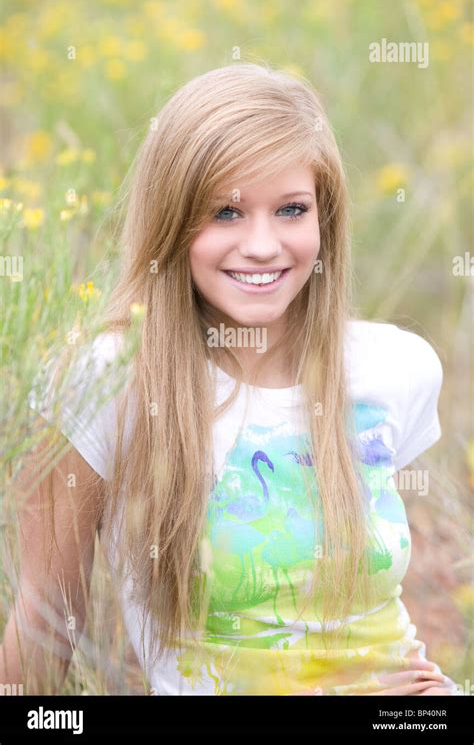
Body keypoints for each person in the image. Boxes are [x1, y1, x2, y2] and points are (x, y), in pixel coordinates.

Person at [0, 63, 461, 696]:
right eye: (226, 213)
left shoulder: (394, 368)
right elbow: (47, 621)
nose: (264, 245)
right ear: (173, 221)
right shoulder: (102, 383)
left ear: (324, 221)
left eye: (291, 210)